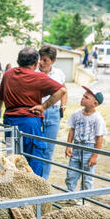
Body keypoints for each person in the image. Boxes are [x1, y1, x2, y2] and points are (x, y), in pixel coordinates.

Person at [0, 47, 66, 177]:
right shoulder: (38, 77)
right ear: (36, 63)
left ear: (18, 61)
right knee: (33, 160)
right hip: (30, 123)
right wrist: (43, 106)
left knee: (12, 159)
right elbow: (62, 91)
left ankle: (12, 191)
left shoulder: (8, 74)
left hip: (10, 123)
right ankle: (33, 193)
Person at [65, 86, 107, 195]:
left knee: (87, 176)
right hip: (76, 147)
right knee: (71, 174)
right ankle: (71, 196)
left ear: (94, 103)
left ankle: (85, 198)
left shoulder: (98, 119)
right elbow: (72, 130)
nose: (82, 98)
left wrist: (94, 156)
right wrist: (68, 146)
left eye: (86, 97)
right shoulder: (76, 114)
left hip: (89, 149)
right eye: (83, 96)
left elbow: (99, 138)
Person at [38, 45, 67, 180]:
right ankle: (35, 179)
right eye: (40, 59)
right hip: (37, 111)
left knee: (49, 150)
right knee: (37, 148)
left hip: (53, 112)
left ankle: (44, 181)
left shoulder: (59, 73)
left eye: (45, 60)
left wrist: (63, 105)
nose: (41, 63)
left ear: (53, 61)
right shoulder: (34, 72)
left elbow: (64, 90)